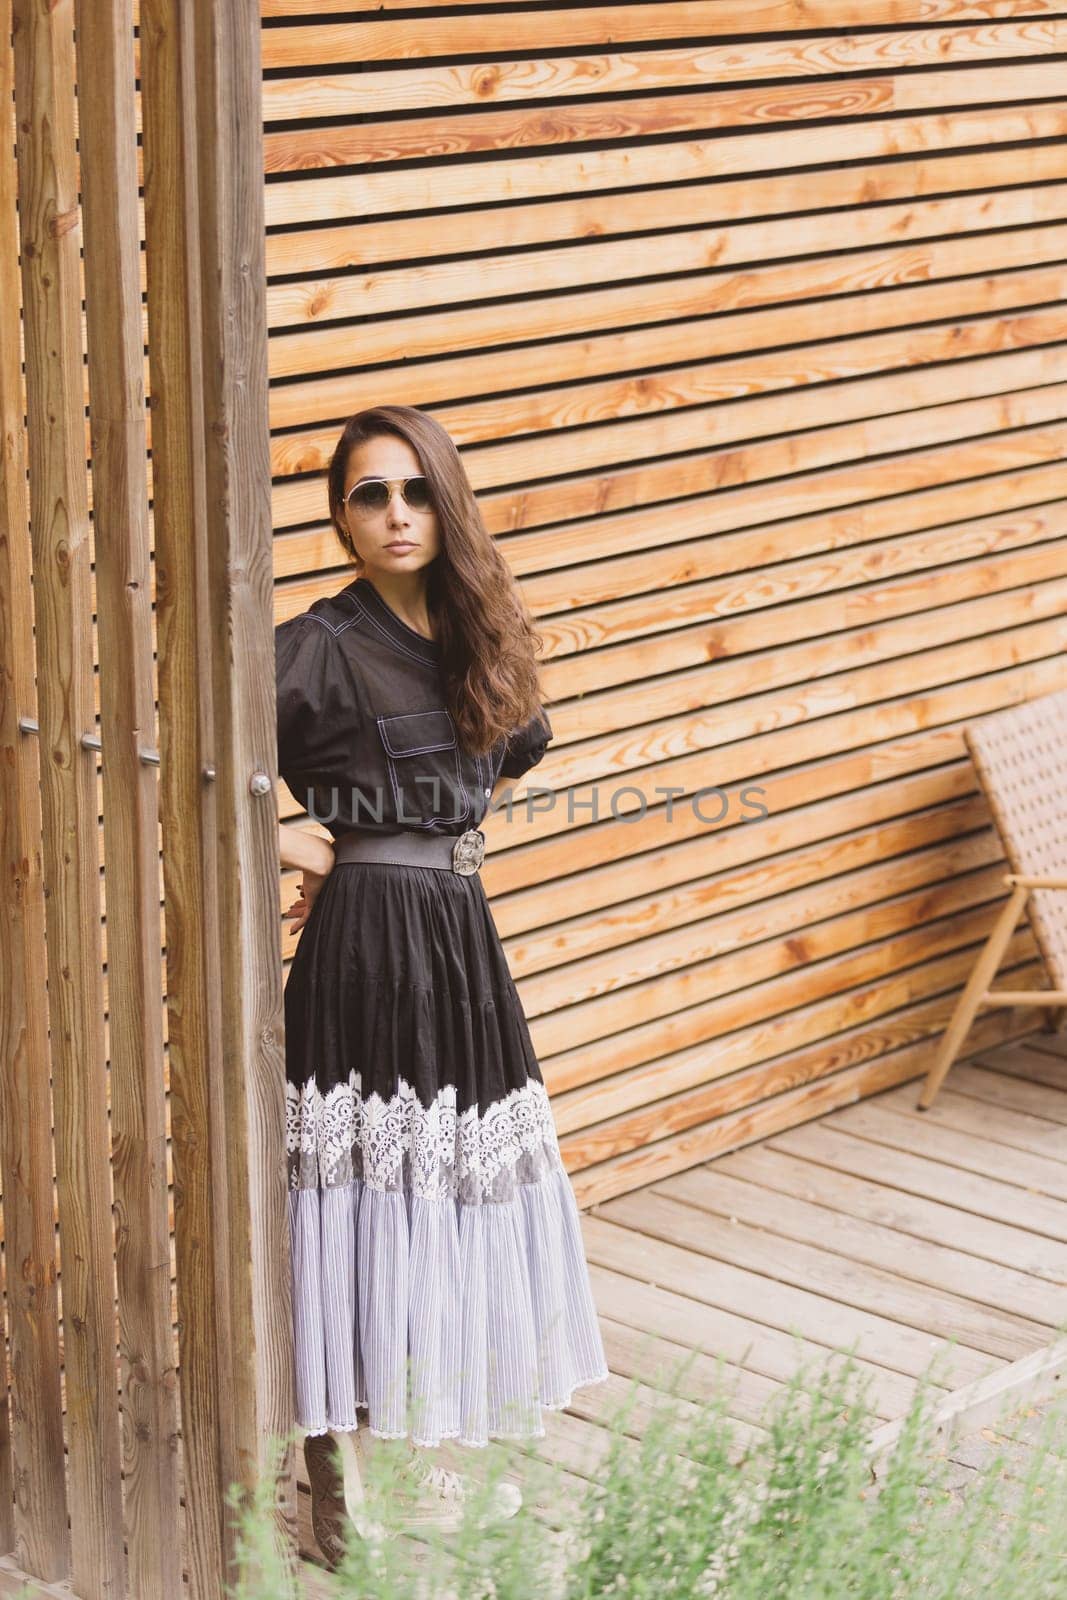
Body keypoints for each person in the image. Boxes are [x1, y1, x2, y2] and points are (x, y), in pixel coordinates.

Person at [275, 404, 609, 1562]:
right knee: (356, 1203)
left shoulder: (478, 635)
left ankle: (429, 1452)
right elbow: (182, 752)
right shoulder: (313, 643)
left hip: (458, 943)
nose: (395, 515)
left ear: (445, 501)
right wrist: (304, 842)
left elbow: (507, 759)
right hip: (364, 949)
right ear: (340, 515)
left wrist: (436, 847)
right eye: (370, 494)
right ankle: (338, 1493)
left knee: (449, 1196)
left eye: (415, 490)